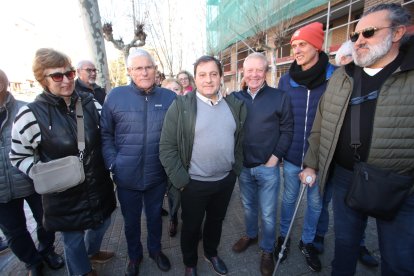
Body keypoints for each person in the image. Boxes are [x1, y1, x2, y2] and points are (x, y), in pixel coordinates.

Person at [299, 4, 414, 275]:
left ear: (397, 32)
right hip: (345, 177)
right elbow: (321, 124)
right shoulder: (341, 76)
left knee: (398, 259)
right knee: (344, 245)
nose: (359, 40)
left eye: (369, 32)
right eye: (355, 35)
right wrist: (311, 163)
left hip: (398, 183)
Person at [10, 49, 116, 276]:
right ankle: (81, 271)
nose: (67, 80)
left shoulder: (90, 103)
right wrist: (43, 174)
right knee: (72, 239)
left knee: (103, 222)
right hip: (63, 194)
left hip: (98, 184)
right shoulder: (30, 114)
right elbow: (18, 156)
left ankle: (92, 251)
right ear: (42, 80)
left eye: (68, 73)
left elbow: (107, 136)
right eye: (57, 76)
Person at [160, 55, 246, 276]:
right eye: (202, 75)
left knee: (216, 222)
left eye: (213, 74)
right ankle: (190, 263)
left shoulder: (233, 105)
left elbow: (240, 141)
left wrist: (234, 172)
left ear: (220, 77)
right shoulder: (180, 107)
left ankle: (211, 252)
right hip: (193, 184)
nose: (208, 80)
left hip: (225, 182)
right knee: (190, 227)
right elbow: (167, 148)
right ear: (195, 78)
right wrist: (182, 182)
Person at [101, 49, 175, 276]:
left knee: (154, 218)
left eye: (148, 67)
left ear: (155, 69)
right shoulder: (115, 96)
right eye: (138, 68)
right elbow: (105, 134)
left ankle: (155, 250)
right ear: (130, 71)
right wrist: (114, 163)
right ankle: (134, 256)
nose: (144, 72)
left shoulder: (169, 98)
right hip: (126, 175)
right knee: (130, 221)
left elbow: (178, 135)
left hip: (156, 174)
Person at [275, 22, 336, 272]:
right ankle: (284, 237)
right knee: (288, 199)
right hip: (291, 156)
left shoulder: (335, 77)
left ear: (317, 46)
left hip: (321, 159)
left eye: (302, 44)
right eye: (294, 45)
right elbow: (279, 118)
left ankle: (307, 241)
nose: (296, 50)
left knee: (315, 204)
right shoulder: (286, 80)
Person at [313, 39, 379, 268]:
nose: (348, 63)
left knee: (364, 210)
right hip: (335, 163)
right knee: (325, 202)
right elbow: (321, 123)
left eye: (351, 57)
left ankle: (360, 244)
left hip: (373, 169)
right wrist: (312, 161)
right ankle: (321, 236)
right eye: (344, 59)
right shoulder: (336, 80)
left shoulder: (378, 80)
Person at [231, 52, 293, 276]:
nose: (254, 75)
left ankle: (267, 250)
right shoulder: (235, 98)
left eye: (259, 70)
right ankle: (250, 234)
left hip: (268, 167)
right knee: (248, 207)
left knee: (267, 213)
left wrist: (274, 158)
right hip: (244, 167)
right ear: (243, 73)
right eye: (250, 70)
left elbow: (287, 130)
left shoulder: (280, 97)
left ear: (266, 72)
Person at [0, 69, 64, 276]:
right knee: (14, 231)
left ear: (5, 84)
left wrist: (40, 172)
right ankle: (32, 261)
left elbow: (43, 145)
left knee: (46, 220)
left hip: (31, 180)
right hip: (2, 190)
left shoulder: (24, 110)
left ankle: (47, 251)